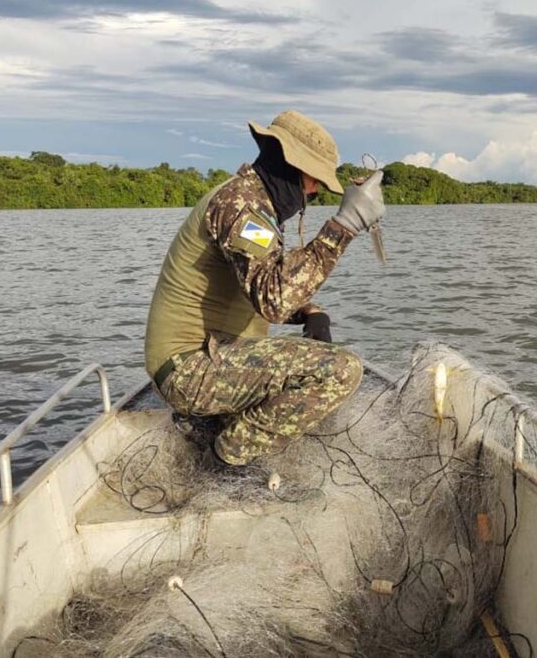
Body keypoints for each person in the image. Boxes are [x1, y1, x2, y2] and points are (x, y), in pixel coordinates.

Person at [144, 110, 385, 466]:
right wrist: (344, 225)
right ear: (289, 165)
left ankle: (223, 432)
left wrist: (311, 312)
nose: (316, 190)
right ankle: (227, 456)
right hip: (188, 368)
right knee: (342, 370)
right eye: (314, 178)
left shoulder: (254, 204)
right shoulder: (241, 207)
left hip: (210, 353)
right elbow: (273, 300)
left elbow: (261, 285)